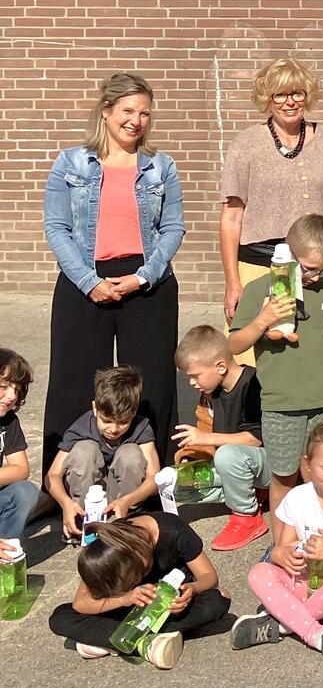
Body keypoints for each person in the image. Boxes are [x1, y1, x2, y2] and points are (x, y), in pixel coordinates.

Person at [43, 72, 183, 480]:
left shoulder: (161, 166)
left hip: (147, 284)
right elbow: (56, 227)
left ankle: (152, 481)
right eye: (128, 111)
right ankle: (64, 482)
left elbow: (173, 228)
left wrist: (144, 276)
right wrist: (89, 281)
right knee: (74, 383)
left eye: (144, 113)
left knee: (151, 383)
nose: (136, 121)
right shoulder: (70, 161)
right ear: (106, 111)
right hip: (83, 281)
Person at [227, 214, 323, 525]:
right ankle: (282, 544)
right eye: (309, 268)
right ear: (287, 254)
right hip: (282, 403)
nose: (315, 276)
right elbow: (235, 345)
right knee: (285, 476)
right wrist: (263, 319)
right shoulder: (259, 289)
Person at [221, 58, 323, 331]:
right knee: (253, 358)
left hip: (313, 271)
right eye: (280, 94)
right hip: (258, 267)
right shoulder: (245, 145)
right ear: (267, 98)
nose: (289, 102)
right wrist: (233, 282)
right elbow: (231, 217)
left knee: (309, 351)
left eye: (297, 93)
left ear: (307, 95)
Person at [234, 422, 323, 664]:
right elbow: (281, 550)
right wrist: (283, 555)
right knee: (259, 572)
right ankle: (320, 636)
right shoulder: (297, 497)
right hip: (305, 585)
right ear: (307, 464)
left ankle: (283, 624)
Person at [48, 514, 229, 669]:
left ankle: (111, 641)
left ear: (135, 554)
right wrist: (125, 598)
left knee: (219, 599)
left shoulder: (173, 531)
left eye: (137, 575)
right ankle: (146, 644)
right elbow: (80, 603)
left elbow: (209, 576)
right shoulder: (107, 545)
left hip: (169, 611)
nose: (139, 579)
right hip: (129, 610)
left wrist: (193, 589)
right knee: (61, 617)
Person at [172, 327, 268, 552]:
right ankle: (247, 493)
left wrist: (205, 437)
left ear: (221, 366)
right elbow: (204, 427)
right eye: (188, 377)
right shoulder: (210, 389)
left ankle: (247, 516)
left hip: (265, 464)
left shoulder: (253, 384)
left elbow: (256, 439)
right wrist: (191, 458)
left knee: (227, 454)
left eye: (195, 375)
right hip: (233, 465)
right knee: (175, 482)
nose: (192, 383)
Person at [48, 366, 160, 543]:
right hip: (88, 500)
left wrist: (127, 501)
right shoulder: (81, 428)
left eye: (123, 422)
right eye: (106, 421)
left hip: (123, 499)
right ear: (95, 408)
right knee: (85, 450)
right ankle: (81, 524)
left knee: (130, 453)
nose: (114, 429)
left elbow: (154, 477)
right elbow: (53, 475)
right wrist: (66, 505)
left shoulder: (141, 428)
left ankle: (125, 522)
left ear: (135, 411)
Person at [0, 348, 39, 545]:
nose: (11, 396)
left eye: (17, 389)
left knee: (25, 492)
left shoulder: (8, 421)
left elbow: (21, 469)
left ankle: (7, 553)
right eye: (3, 386)